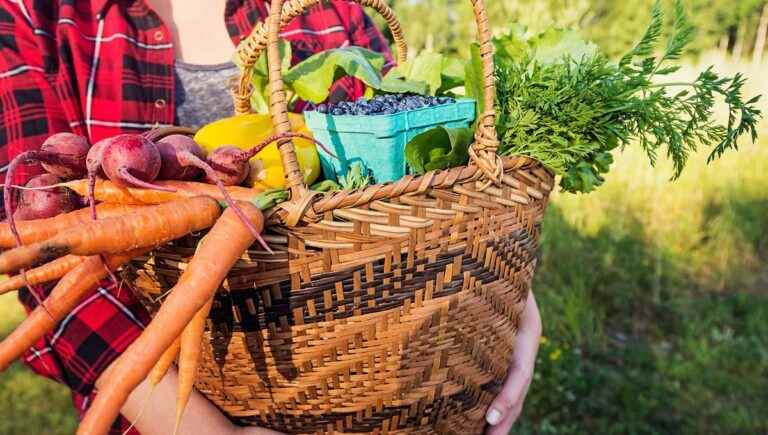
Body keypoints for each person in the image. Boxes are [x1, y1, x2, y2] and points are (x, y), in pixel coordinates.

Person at [0, 1, 541, 433]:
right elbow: (47, 259)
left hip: (376, 382)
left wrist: (500, 288)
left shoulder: (333, 8)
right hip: (160, 415)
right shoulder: (32, 16)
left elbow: (425, 177)